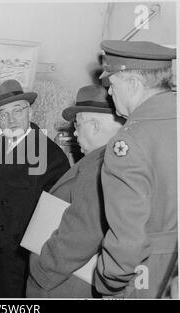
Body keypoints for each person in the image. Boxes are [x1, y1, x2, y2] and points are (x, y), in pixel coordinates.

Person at [0, 79, 70, 297]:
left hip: (23, 256)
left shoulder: (52, 156)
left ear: (29, 111)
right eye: (2, 114)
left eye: (17, 111)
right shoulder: (4, 144)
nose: (10, 120)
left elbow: (59, 216)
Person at [94, 40, 177, 298]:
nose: (109, 94)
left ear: (133, 84)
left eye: (112, 85)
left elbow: (128, 245)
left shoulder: (128, 143)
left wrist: (106, 281)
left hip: (151, 276)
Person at [27, 85, 124, 298]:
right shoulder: (114, 162)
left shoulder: (98, 168)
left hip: (65, 284)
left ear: (95, 126)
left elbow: (81, 236)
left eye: (78, 125)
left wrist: (42, 270)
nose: (74, 133)